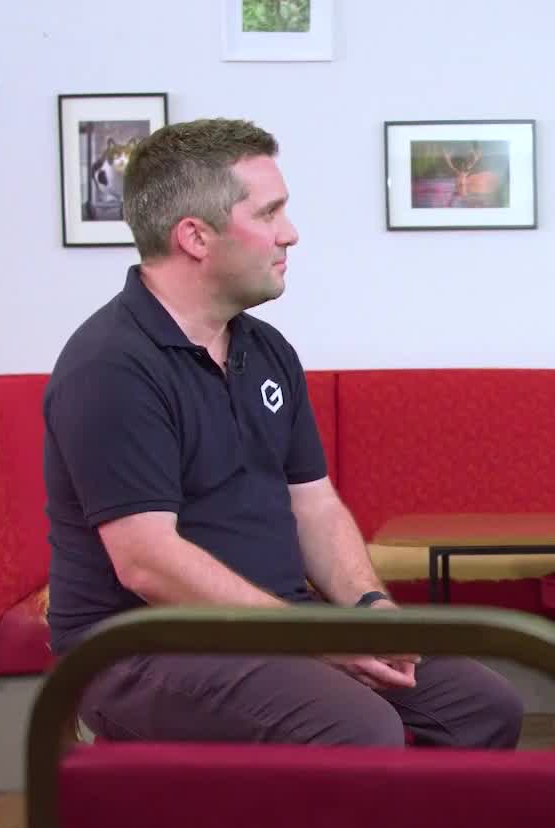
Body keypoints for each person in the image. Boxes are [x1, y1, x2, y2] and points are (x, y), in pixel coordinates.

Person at [43, 117, 522, 750]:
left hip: (273, 625)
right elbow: (148, 562)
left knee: (481, 708)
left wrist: (367, 612)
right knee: (359, 730)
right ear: (195, 236)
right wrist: (317, 640)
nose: (289, 234)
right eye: (270, 213)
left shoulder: (265, 350)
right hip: (141, 646)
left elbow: (314, 506)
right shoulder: (111, 365)